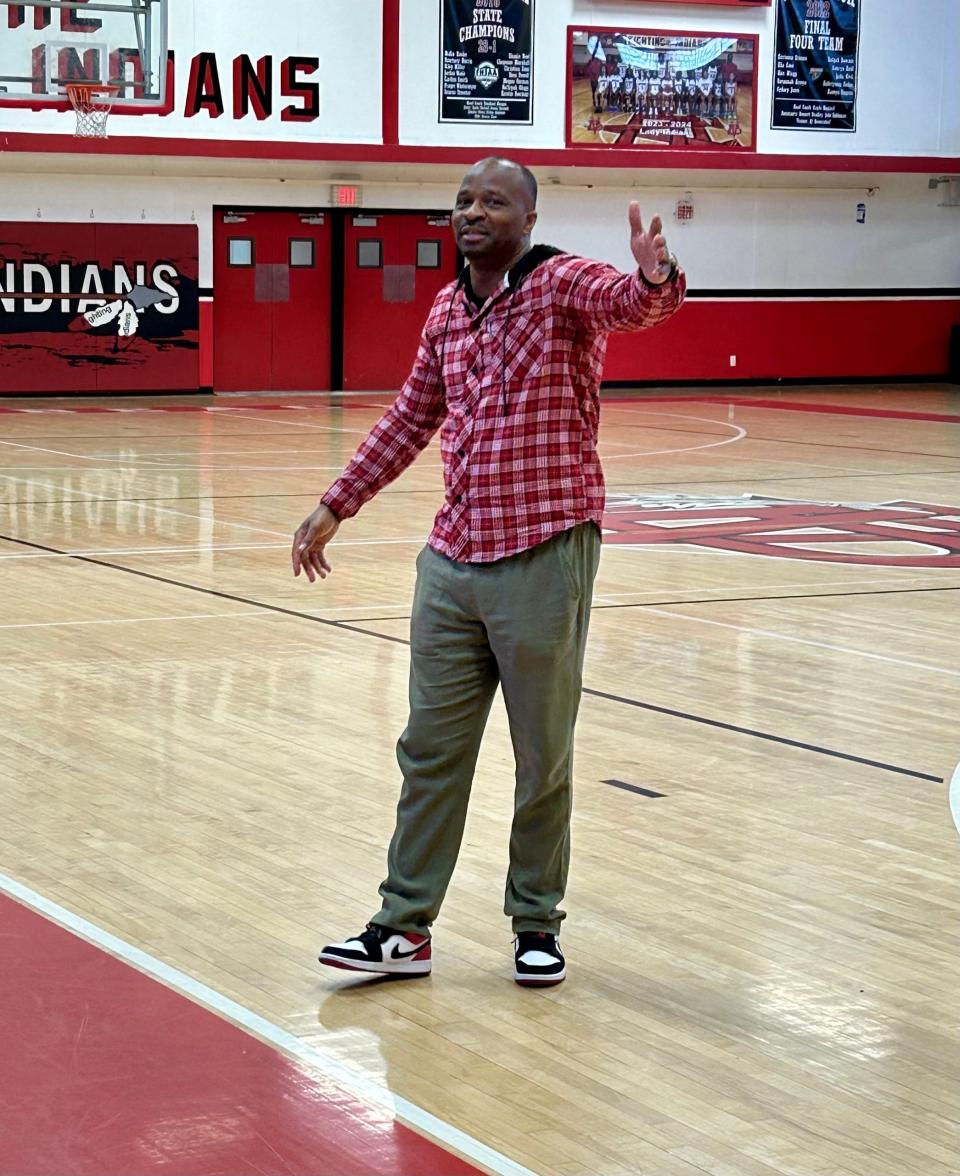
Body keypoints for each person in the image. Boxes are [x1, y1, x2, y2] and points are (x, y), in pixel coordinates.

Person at [294, 157, 686, 988]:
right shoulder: (446, 309)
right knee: (428, 750)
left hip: (543, 552)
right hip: (451, 561)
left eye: (494, 201)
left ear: (529, 218)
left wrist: (656, 274)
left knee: (542, 756)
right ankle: (403, 927)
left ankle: (536, 922)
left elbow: (633, 303)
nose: (474, 212)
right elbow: (411, 415)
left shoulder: (559, 285)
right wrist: (337, 503)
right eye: (465, 200)